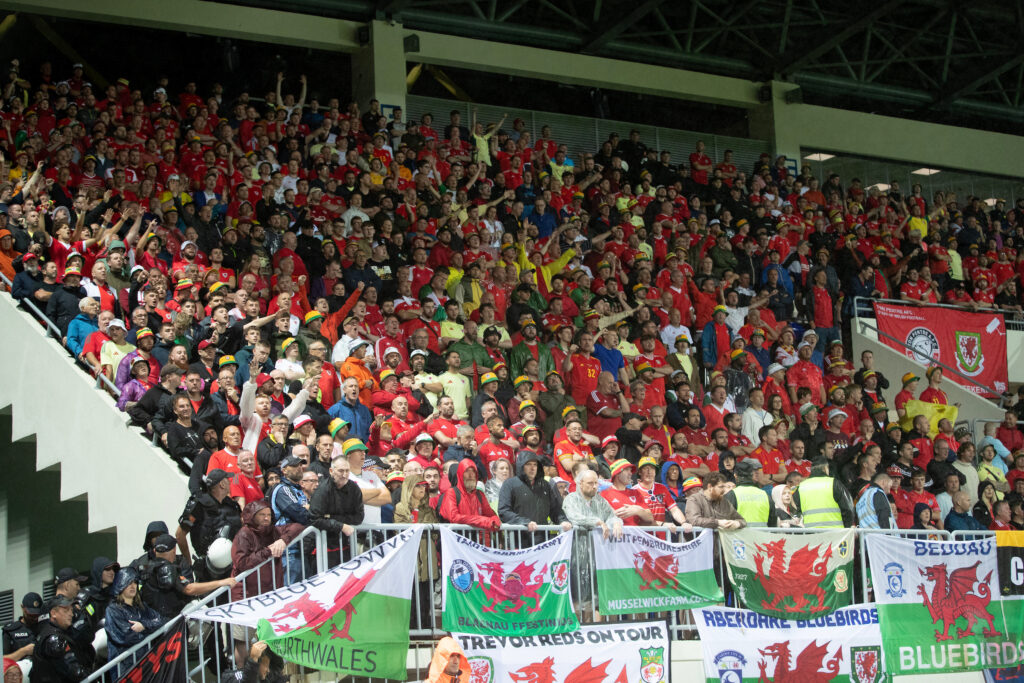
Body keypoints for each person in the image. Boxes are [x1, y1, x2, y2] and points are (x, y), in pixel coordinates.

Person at [231, 500, 305, 598]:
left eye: (269, 515)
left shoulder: (273, 530)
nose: (266, 518)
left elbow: (297, 527)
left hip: (272, 590)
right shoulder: (244, 534)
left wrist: (283, 540)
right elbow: (241, 563)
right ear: (253, 516)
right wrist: (269, 551)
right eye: (262, 515)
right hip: (246, 594)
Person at [102, 568, 163, 680]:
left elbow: (160, 620)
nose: (133, 586)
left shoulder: (142, 607)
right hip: (125, 669)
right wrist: (149, 631)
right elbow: (126, 636)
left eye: (135, 582)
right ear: (120, 584)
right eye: (129, 583)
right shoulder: (113, 610)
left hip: (145, 666)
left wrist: (143, 626)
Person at [498, 451, 571, 534]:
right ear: (521, 466)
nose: (532, 468)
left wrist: (563, 520)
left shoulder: (545, 485)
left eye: (535, 464)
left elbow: (555, 509)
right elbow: (504, 511)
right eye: (528, 464)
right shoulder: (509, 484)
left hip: (543, 537)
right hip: (519, 537)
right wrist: (524, 522)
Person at [309, 455, 364, 566]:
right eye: (341, 471)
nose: (344, 474)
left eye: (347, 471)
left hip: (346, 544)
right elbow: (314, 519)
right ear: (331, 471)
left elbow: (359, 517)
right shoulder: (322, 490)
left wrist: (332, 518)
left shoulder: (354, 489)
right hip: (323, 546)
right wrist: (341, 526)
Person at [28, 596, 91, 683]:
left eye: (71, 610)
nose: (71, 614)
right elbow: (75, 672)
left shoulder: (49, 632)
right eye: (66, 610)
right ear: (53, 613)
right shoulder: (54, 639)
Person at [440, 459, 500, 530]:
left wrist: (495, 519)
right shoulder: (451, 493)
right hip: (457, 535)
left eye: (473, 471)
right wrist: (482, 520)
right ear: (460, 474)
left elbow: (490, 514)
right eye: (467, 471)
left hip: (476, 536)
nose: (470, 475)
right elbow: (454, 517)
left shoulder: (479, 494)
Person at [792, 461, 855, 528]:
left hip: (810, 532)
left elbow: (795, 512)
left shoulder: (801, 487)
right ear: (825, 468)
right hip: (835, 532)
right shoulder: (834, 483)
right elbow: (848, 509)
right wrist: (847, 528)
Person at [726, 459, 775, 527]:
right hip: (762, 533)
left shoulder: (731, 494)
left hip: (740, 533)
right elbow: (773, 522)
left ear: (735, 476)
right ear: (752, 475)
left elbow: (725, 521)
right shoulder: (765, 494)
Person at [2, 594, 42, 663]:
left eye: (37, 615)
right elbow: (3, 660)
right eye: (30, 615)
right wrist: (24, 651)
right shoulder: (11, 631)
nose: (34, 618)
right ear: (22, 607)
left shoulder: (45, 628)